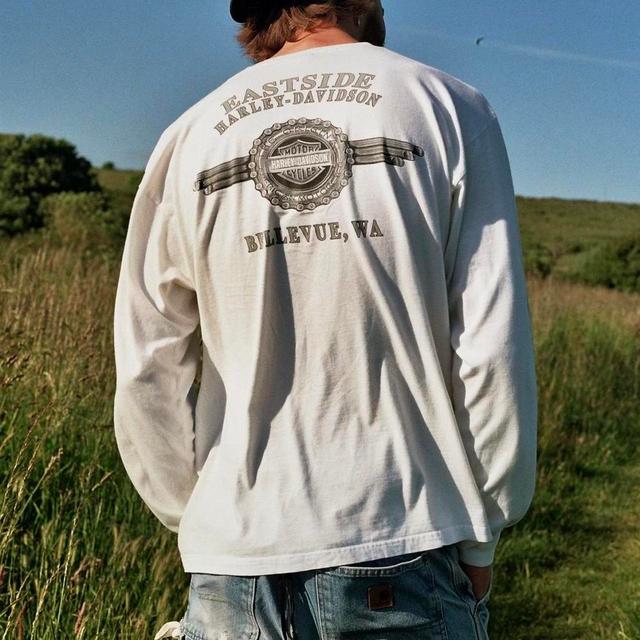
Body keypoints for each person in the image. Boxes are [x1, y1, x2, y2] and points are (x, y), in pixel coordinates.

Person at [112, 1, 538, 638]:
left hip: (232, 559)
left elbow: (147, 360)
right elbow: (489, 342)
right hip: (404, 537)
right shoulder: (447, 107)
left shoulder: (189, 135)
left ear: (252, 18)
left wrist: (199, 520)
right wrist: (485, 531)